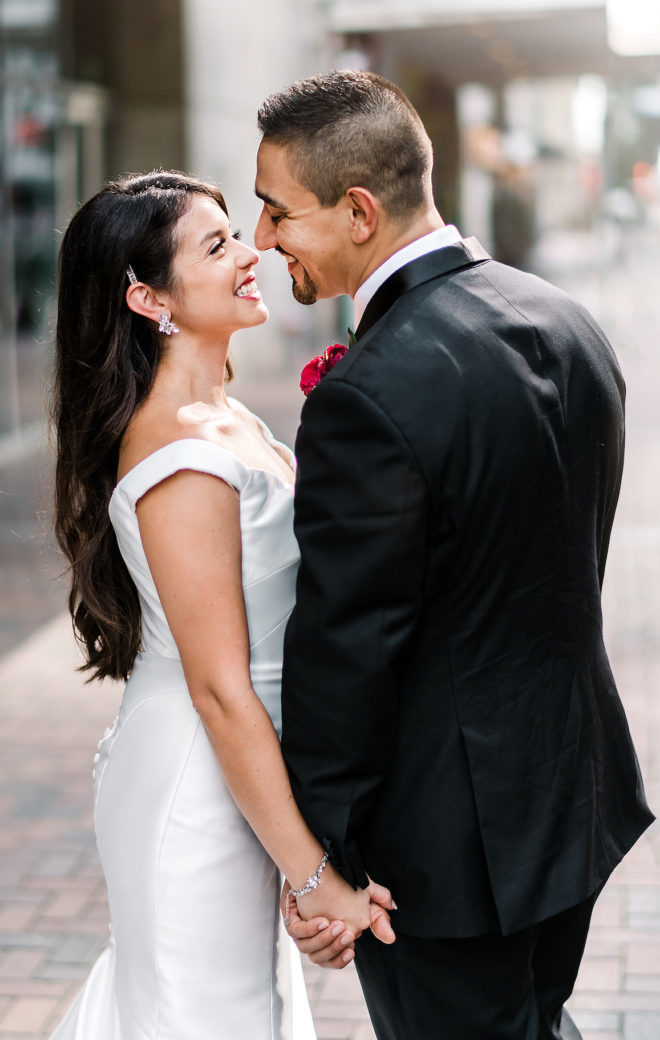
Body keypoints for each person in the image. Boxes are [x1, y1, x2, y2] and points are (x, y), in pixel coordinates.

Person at [253, 70, 655, 1040]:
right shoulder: (571, 324)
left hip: (447, 848)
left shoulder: (368, 393)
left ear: (357, 211)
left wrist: (321, 858)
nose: (264, 240)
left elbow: (348, 648)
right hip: (574, 785)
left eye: (275, 212)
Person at [49, 170, 395, 1040]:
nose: (253, 254)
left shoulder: (225, 418)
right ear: (146, 296)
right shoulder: (180, 453)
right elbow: (220, 688)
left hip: (243, 774)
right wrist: (315, 877)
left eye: (238, 233)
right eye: (217, 245)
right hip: (198, 786)